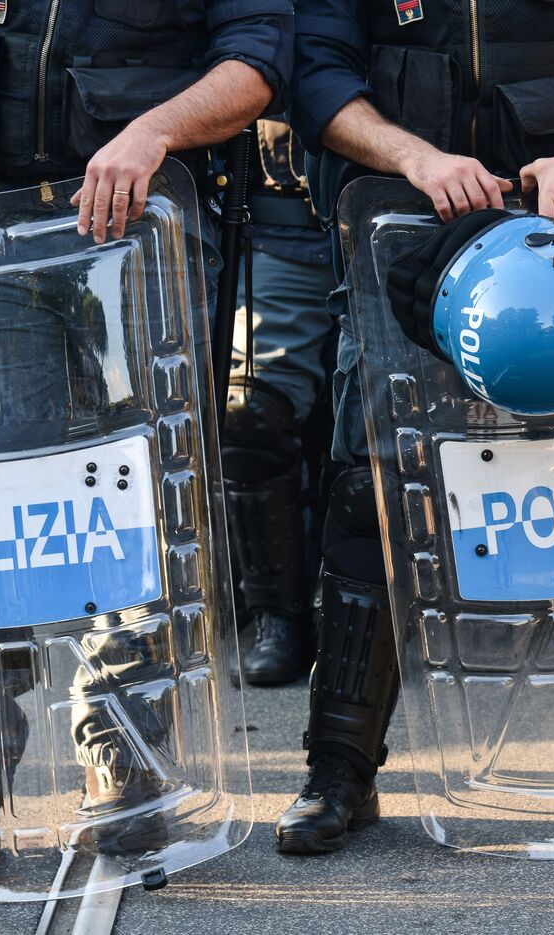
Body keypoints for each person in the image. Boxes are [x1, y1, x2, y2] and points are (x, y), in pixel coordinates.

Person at [0, 0, 290, 874]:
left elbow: (256, 62)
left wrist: (152, 132)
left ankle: (125, 772)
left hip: (139, 228)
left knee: (142, 507)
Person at [277, 0, 554, 853]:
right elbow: (317, 78)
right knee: (373, 495)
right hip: (405, 241)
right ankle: (339, 772)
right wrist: (417, 157)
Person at [224, 118, 339, 686]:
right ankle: (275, 613)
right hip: (276, 226)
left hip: (411, 211)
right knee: (251, 413)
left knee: (384, 424)